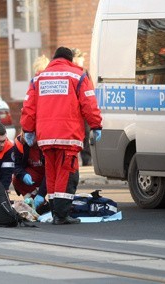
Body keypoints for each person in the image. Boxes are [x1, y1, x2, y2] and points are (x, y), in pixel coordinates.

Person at [20, 46, 103, 225]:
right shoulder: (77, 75)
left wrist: (28, 130)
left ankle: (57, 212)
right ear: (70, 59)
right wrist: (96, 125)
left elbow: (28, 108)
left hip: (45, 138)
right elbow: (89, 103)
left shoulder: (39, 78)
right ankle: (61, 215)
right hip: (68, 135)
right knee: (67, 174)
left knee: (52, 174)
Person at [12, 131, 47, 210]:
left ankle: (58, 205)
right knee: (17, 179)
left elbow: (51, 172)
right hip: (34, 173)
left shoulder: (46, 142)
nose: (29, 138)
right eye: (27, 135)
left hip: (50, 175)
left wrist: (41, 193)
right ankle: (40, 206)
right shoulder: (19, 143)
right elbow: (15, 165)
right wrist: (23, 174)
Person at [72, 48, 92, 166]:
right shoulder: (80, 73)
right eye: (81, 57)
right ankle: (84, 160)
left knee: (85, 134)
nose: (83, 59)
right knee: (82, 134)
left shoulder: (84, 72)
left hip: (79, 110)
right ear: (75, 58)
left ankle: (85, 160)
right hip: (79, 109)